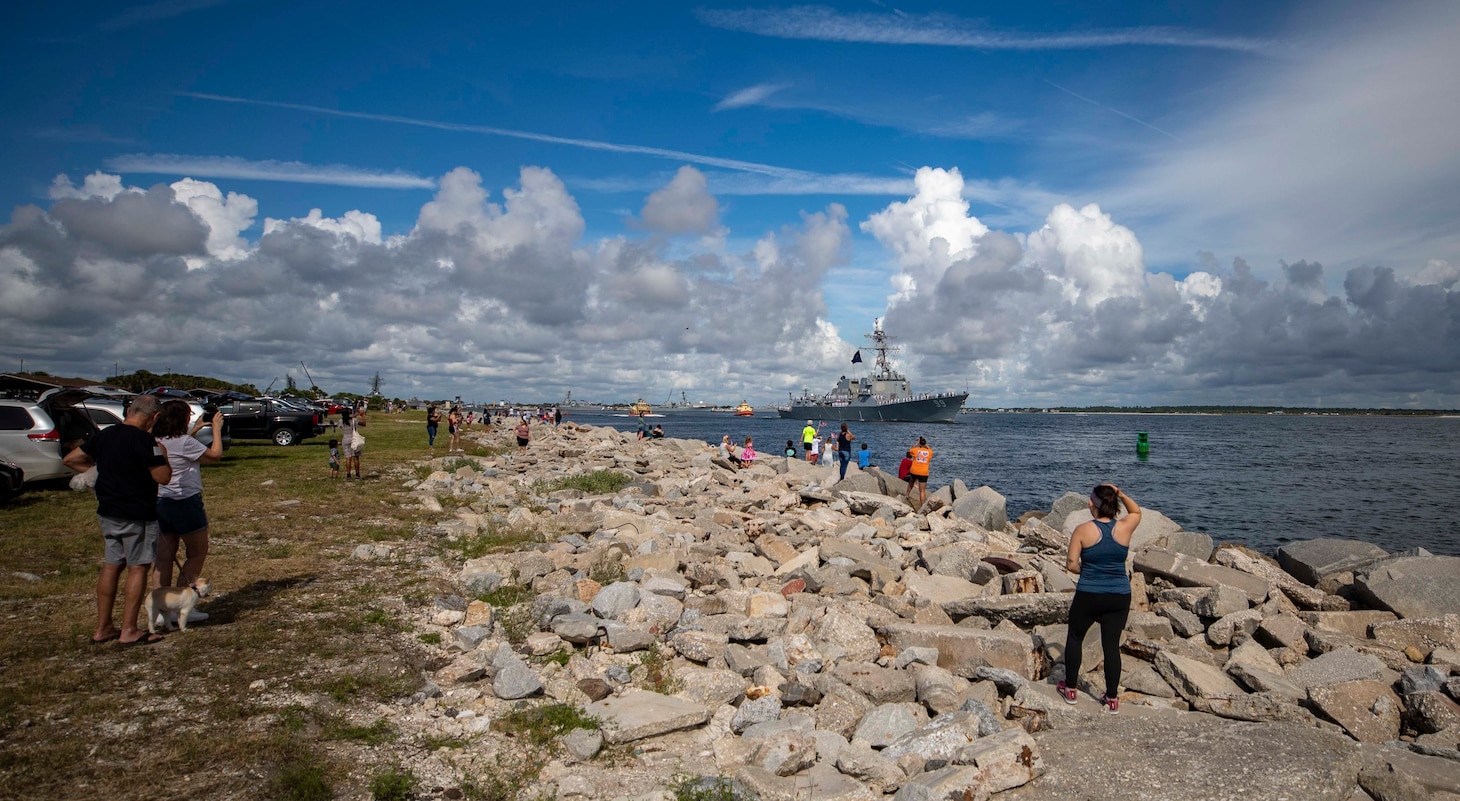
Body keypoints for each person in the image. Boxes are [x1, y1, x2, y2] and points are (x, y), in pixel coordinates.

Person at [62, 394, 171, 646]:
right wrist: (163, 455)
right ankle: (129, 630)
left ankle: (103, 628)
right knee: (138, 567)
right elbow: (163, 476)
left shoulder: (106, 435)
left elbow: (71, 459)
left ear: (130, 410)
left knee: (112, 566)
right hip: (137, 512)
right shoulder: (145, 441)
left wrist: (100, 472)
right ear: (154, 417)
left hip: (108, 511)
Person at [1060, 484, 1141, 715]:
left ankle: (1071, 689)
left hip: (1089, 593)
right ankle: (1112, 698)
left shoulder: (1082, 530)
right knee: (1111, 645)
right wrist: (1123, 494)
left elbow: (1071, 564)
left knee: (1075, 636)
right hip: (1118, 595)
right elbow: (1136, 512)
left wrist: (1086, 571)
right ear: (1114, 504)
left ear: (1091, 503)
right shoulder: (1125, 527)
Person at [151, 400, 223, 623]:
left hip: (161, 500)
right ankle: (182, 604)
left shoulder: (157, 439)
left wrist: (196, 430)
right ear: (180, 419)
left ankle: (161, 609)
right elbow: (214, 455)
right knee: (196, 553)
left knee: (164, 557)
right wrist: (217, 430)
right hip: (185, 502)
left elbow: (179, 447)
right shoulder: (184, 442)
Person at [906, 437, 932, 509]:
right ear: (925, 444)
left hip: (914, 470)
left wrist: (916, 443)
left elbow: (910, 450)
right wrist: (926, 444)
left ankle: (907, 494)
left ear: (920, 444)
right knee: (922, 491)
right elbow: (930, 450)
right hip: (923, 472)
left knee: (911, 482)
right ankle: (922, 506)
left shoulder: (916, 450)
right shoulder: (929, 452)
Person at [341, 407, 364, 479]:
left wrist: (355, 415)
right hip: (354, 439)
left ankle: (348, 475)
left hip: (345, 439)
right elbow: (363, 423)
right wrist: (362, 415)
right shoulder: (354, 420)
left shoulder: (340, 421)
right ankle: (357, 475)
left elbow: (347, 420)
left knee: (348, 458)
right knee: (356, 458)